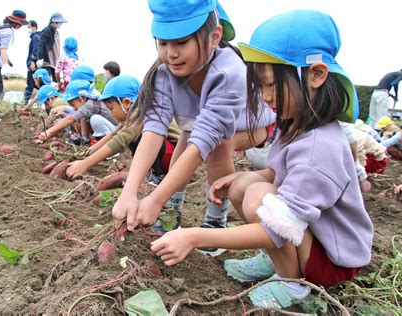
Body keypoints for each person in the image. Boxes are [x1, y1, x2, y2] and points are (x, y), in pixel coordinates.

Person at [150, 10, 374, 309]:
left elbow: (275, 226)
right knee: (246, 184)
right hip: (313, 238)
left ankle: (294, 288)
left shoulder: (320, 147)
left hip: (333, 259)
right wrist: (249, 177)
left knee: (259, 198)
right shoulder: (297, 123)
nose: (265, 97)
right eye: (260, 87)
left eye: (271, 85)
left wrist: (192, 236)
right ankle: (278, 261)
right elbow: (281, 172)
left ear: (316, 75)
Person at [112, 0, 274, 255]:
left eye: (181, 42)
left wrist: (155, 199)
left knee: (217, 145)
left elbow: (205, 142)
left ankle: (215, 222)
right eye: (163, 43)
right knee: (186, 138)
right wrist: (130, 191)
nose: (170, 53)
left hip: (253, 126)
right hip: (199, 127)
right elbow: (154, 130)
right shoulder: (164, 74)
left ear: (214, 37)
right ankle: (171, 212)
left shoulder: (229, 72)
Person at [66, 74, 180, 182]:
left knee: (140, 137)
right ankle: (150, 173)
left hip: (174, 158)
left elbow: (119, 140)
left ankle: (156, 176)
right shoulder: (131, 115)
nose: (111, 114)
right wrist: (85, 154)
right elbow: (112, 136)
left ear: (126, 102)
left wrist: (85, 164)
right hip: (167, 154)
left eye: (111, 109)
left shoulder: (141, 113)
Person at [38, 79, 117, 143]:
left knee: (95, 119)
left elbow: (70, 119)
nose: (74, 108)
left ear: (82, 98)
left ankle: (105, 144)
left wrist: (49, 132)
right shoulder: (86, 103)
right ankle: (86, 139)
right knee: (85, 116)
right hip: (111, 129)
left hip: (115, 132)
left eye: (73, 104)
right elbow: (78, 114)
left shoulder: (90, 104)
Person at [37, 13, 67, 82]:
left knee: (56, 81)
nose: (58, 24)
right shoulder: (46, 31)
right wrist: (40, 58)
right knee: (45, 80)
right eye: (57, 22)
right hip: (48, 61)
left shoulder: (56, 32)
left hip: (55, 61)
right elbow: (41, 45)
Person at [23, 20, 41, 105]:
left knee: (31, 84)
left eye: (29, 27)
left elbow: (35, 50)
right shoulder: (37, 37)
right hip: (36, 64)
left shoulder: (35, 37)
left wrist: (32, 61)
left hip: (33, 64)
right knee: (35, 84)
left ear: (34, 27)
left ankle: (25, 103)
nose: (27, 28)